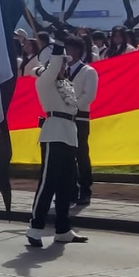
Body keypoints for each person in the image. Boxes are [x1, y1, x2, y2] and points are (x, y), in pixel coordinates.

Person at [27, 41, 87, 248]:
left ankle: (63, 229)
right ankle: (35, 227)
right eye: (61, 62)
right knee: (47, 183)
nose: (64, 66)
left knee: (66, 185)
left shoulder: (66, 84)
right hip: (53, 135)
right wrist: (58, 47)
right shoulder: (45, 81)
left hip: (69, 134)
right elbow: (52, 68)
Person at [64, 36, 98, 208]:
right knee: (67, 155)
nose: (67, 52)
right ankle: (70, 190)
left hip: (80, 116)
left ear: (78, 51)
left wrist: (72, 106)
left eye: (69, 48)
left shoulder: (88, 71)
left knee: (81, 154)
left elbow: (89, 95)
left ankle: (85, 189)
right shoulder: (61, 71)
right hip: (63, 118)